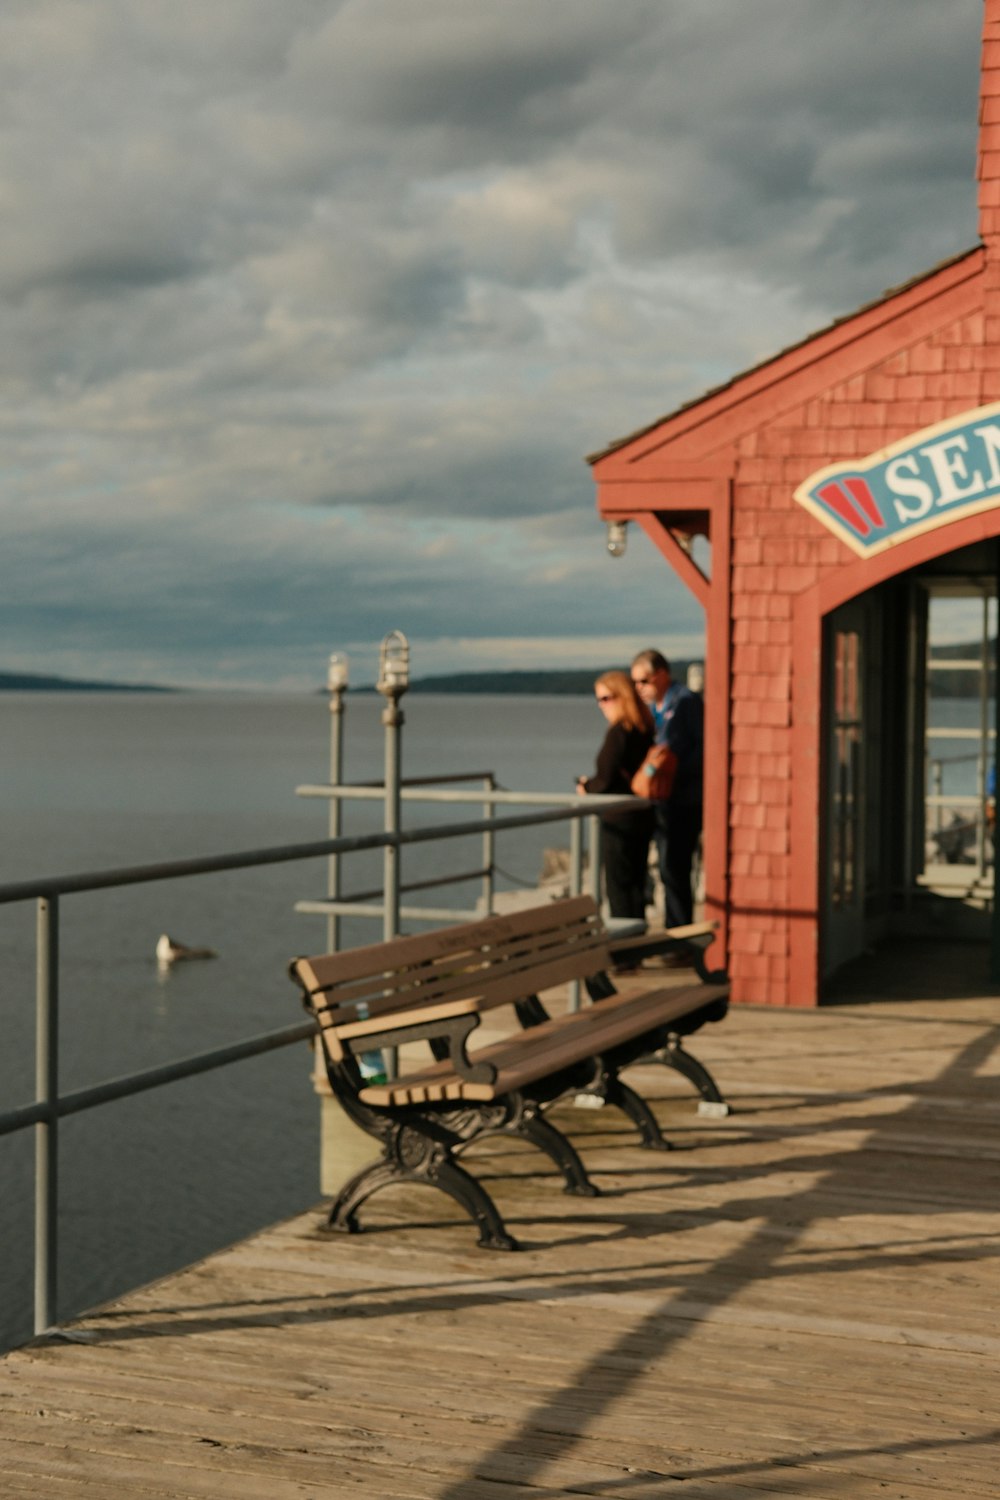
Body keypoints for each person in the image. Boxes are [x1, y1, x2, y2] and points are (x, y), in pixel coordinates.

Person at [630, 649, 704, 928]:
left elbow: (705, 748)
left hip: (684, 801)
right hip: (663, 802)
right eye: (635, 683)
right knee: (666, 869)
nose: (639, 688)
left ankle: (681, 937)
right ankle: (674, 932)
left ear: (662, 675)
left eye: (644, 681)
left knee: (675, 868)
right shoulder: (653, 710)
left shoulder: (685, 702)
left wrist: (674, 770)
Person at [576, 670, 655, 922]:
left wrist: (586, 787)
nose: (602, 705)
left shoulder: (619, 732)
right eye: (598, 699)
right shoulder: (644, 728)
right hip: (642, 814)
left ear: (622, 696)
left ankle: (623, 947)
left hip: (619, 818)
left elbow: (606, 777)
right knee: (636, 882)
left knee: (619, 885)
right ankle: (636, 937)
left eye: (606, 698)